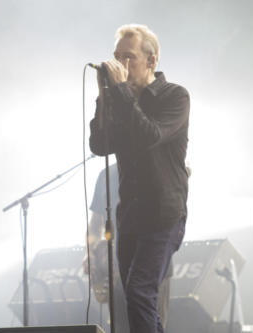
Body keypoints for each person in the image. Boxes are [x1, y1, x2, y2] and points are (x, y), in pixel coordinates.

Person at [89, 24, 190, 333]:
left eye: (129, 57)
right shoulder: (119, 102)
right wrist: (103, 97)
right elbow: (100, 145)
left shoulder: (174, 96)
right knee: (133, 299)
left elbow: (149, 135)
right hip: (130, 217)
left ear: (152, 61)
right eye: (117, 57)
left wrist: (119, 93)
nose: (121, 65)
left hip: (163, 215)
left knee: (140, 292)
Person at [84, 164, 173, 333]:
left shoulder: (152, 164)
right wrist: (88, 254)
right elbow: (95, 223)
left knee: (149, 324)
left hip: (152, 266)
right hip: (118, 269)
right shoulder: (106, 174)